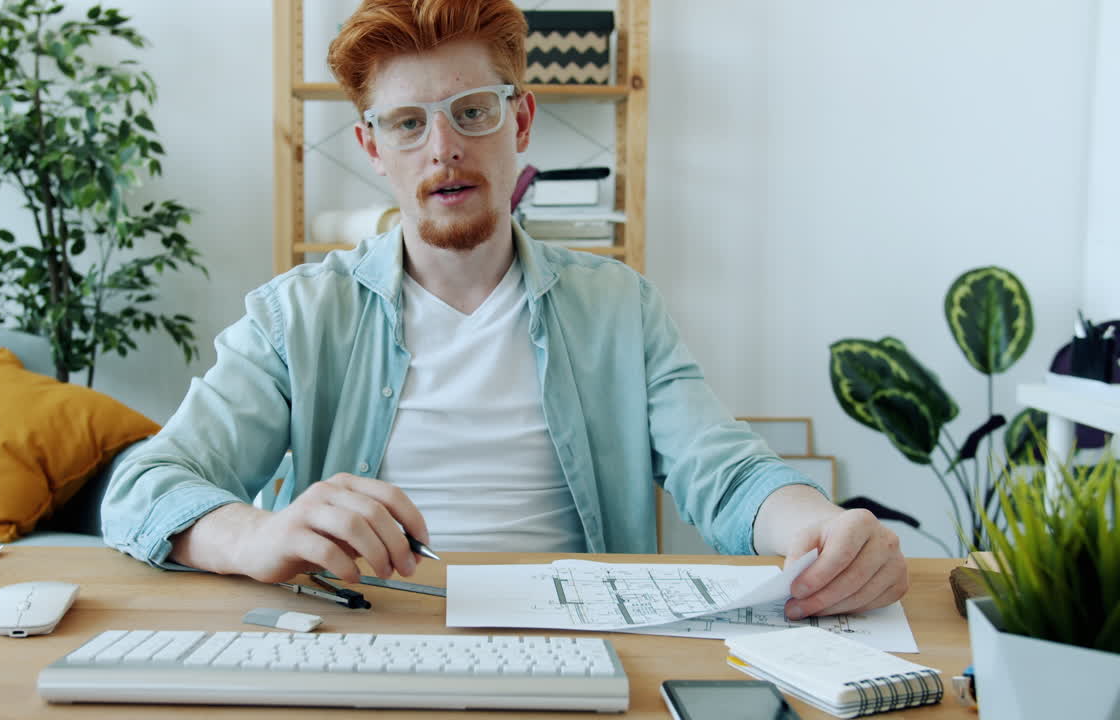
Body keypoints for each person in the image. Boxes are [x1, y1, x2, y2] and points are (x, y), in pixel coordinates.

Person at [102, 0, 908, 620]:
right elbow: (144, 486)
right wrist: (256, 536)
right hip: (366, 635)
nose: (443, 149)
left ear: (519, 121)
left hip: (578, 641)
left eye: (472, 112)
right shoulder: (296, 316)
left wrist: (818, 528)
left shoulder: (618, 308)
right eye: (408, 124)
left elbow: (724, 473)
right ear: (372, 150)